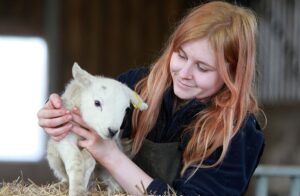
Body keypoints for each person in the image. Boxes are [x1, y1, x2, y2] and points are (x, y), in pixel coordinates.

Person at [37, 1, 265, 195]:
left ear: (233, 74)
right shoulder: (136, 86)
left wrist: (111, 156)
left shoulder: (237, 132)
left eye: (202, 68)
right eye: (181, 55)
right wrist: (60, 115)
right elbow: (90, 111)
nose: (184, 74)